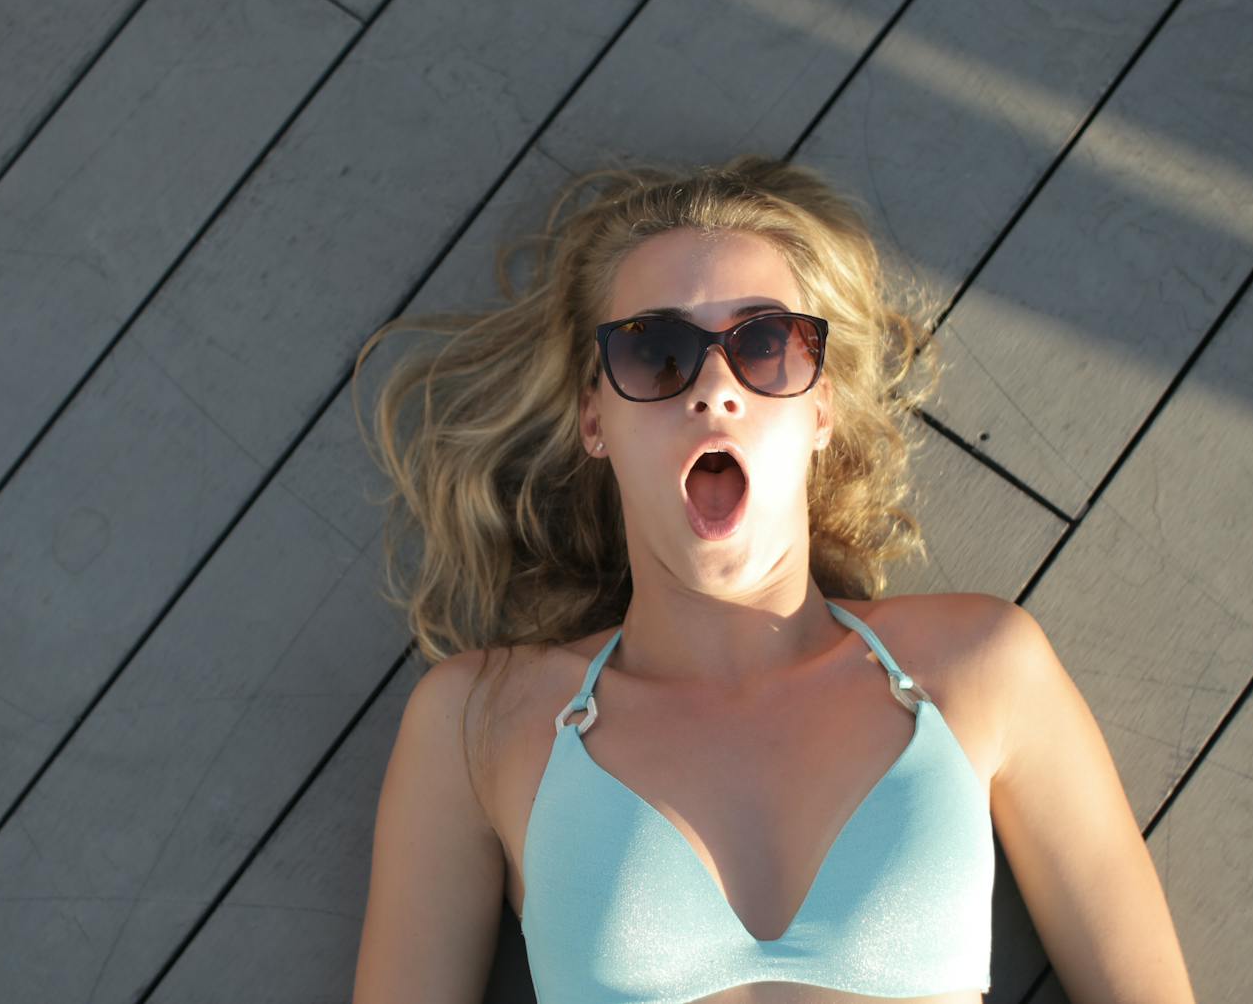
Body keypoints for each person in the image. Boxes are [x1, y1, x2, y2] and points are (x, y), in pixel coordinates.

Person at [348, 155, 1197, 1003]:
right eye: (656, 353)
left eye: (764, 345)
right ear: (594, 417)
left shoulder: (982, 668)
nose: (716, 389)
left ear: (821, 406)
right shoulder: (478, 724)